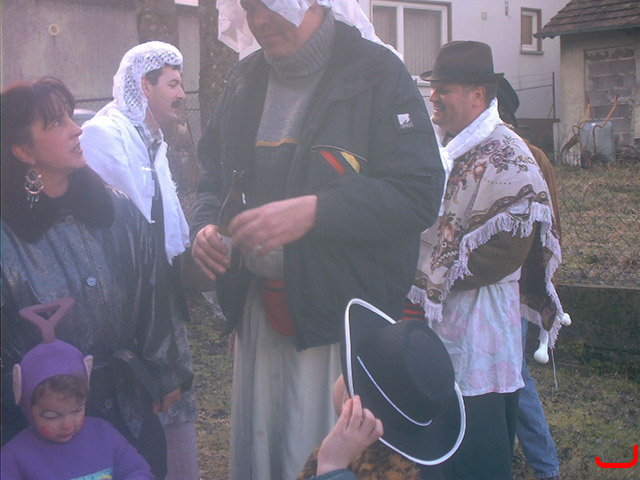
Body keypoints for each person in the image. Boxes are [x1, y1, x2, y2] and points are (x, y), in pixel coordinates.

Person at [191, 0, 445, 478]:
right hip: (260, 316)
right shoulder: (244, 80)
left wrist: (317, 210)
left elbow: (418, 193)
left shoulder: (376, 74)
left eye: (270, 4)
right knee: (263, 456)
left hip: (339, 324)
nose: (258, 20)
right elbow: (211, 176)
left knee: (317, 454)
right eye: (248, 6)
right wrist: (205, 225)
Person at [1, 77, 193, 479]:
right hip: (38, 419)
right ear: (22, 150)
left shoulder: (117, 211)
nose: (77, 130)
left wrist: (165, 369)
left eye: (71, 117)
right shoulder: (6, 235)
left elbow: (154, 294)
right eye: (56, 123)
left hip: (125, 406)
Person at [407, 41, 564, 480]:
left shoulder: (507, 153)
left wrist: (432, 272)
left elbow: (510, 245)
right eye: (433, 88)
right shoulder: (449, 146)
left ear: (478, 95)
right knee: (442, 426)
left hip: (482, 321)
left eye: (445, 89)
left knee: (479, 434)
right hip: (442, 312)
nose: (434, 97)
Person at [80, 42, 198, 480]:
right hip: (129, 304)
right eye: (173, 84)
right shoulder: (104, 134)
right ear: (144, 87)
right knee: (139, 409)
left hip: (161, 290)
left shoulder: (154, 141)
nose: (182, 94)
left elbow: (165, 224)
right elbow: (119, 230)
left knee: (177, 403)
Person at [297, 299, 465, 480]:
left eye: (346, 373)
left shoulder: (343, 460)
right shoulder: (424, 472)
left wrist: (331, 467)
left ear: (351, 405)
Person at [1, 298, 154, 480]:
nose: (67, 424)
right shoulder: (14, 457)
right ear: (27, 406)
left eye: (76, 410)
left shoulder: (103, 434)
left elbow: (137, 471)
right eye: (51, 416)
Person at [497, 77, 561, 480]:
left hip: (514, 287)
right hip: (500, 285)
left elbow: (548, 229)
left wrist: (539, 284)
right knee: (505, 376)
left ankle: (545, 466)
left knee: (514, 375)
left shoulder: (525, 155)